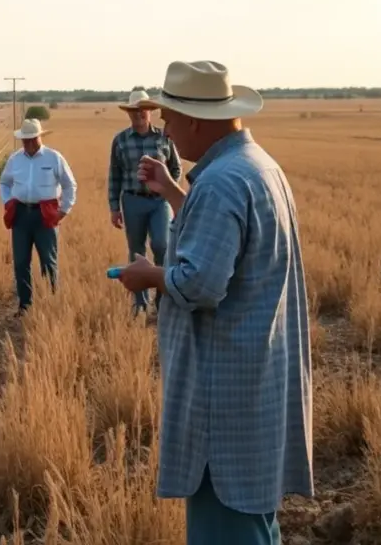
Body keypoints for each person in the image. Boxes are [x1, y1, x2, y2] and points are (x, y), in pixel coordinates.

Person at [116, 60, 313, 545]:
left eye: (169, 117)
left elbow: (201, 284)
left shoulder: (223, 181)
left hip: (223, 397)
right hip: (256, 385)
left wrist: (148, 275)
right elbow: (223, 239)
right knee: (253, 520)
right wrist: (175, 192)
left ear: (196, 122)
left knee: (226, 526)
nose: (164, 126)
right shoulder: (257, 166)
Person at [109, 88, 182, 316]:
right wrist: (114, 207)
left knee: (162, 245)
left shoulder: (163, 138)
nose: (138, 115)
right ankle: (139, 303)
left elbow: (176, 168)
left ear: (150, 112)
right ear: (129, 113)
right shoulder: (120, 141)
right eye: (133, 111)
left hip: (159, 202)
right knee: (136, 250)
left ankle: (162, 300)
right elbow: (115, 175)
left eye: (142, 110)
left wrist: (168, 188)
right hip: (132, 201)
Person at [0, 118, 77, 317]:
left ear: (39, 137)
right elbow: (4, 183)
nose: (28, 142)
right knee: (21, 262)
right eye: (25, 139)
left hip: (46, 216)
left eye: (31, 138)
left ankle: (50, 306)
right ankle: (25, 305)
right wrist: (8, 202)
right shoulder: (14, 159)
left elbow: (70, 185)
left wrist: (63, 211)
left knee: (48, 262)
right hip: (21, 216)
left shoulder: (54, 157)